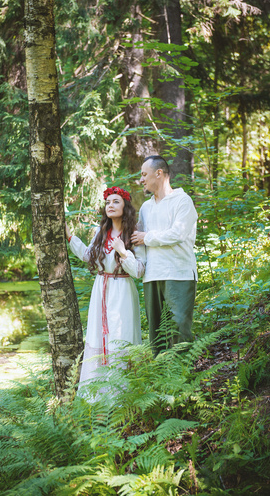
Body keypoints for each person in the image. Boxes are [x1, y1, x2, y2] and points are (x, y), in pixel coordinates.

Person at [66, 186, 145, 389]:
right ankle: (98, 395)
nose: (110, 205)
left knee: (121, 336)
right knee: (99, 337)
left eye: (116, 201)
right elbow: (87, 255)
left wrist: (124, 252)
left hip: (123, 292)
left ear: (125, 206)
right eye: (108, 202)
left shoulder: (134, 234)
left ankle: (122, 396)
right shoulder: (101, 232)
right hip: (101, 289)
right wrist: (70, 238)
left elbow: (139, 270)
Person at [131, 155, 198, 355]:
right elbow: (138, 240)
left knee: (178, 330)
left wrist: (147, 237)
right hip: (151, 275)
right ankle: (161, 381)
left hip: (179, 273)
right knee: (156, 333)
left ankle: (181, 380)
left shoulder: (182, 201)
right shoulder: (145, 207)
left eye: (144, 174)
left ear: (159, 173)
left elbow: (177, 234)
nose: (141, 180)